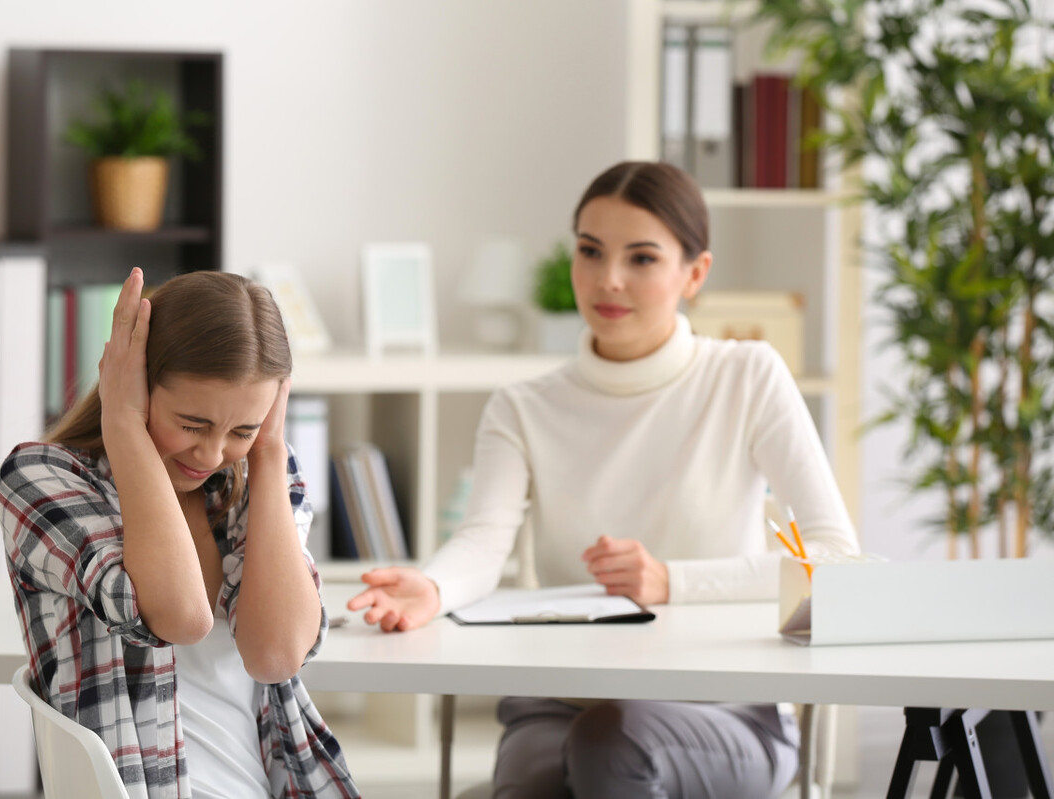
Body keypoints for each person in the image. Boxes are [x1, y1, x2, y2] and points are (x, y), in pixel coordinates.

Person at [347, 161, 860, 798]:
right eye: (590, 251)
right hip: (562, 700)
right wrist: (432, 585)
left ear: (695, 274)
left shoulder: (747, 377)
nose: (608, 279)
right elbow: (483, 544)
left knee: (611, 742)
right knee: (539, 775)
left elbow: (833, 558)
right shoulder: (523, 406)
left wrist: (672, 581)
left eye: (642, 258)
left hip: (726, 712)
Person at [0, 268, 359, 799]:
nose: (211, 456)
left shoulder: (261, 480)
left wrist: (269, 451)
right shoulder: (41, 479)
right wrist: (122, 424)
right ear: (136, 380)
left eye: (241, 429)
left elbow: (276, 655)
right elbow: (180, 617)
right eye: (191, 424)